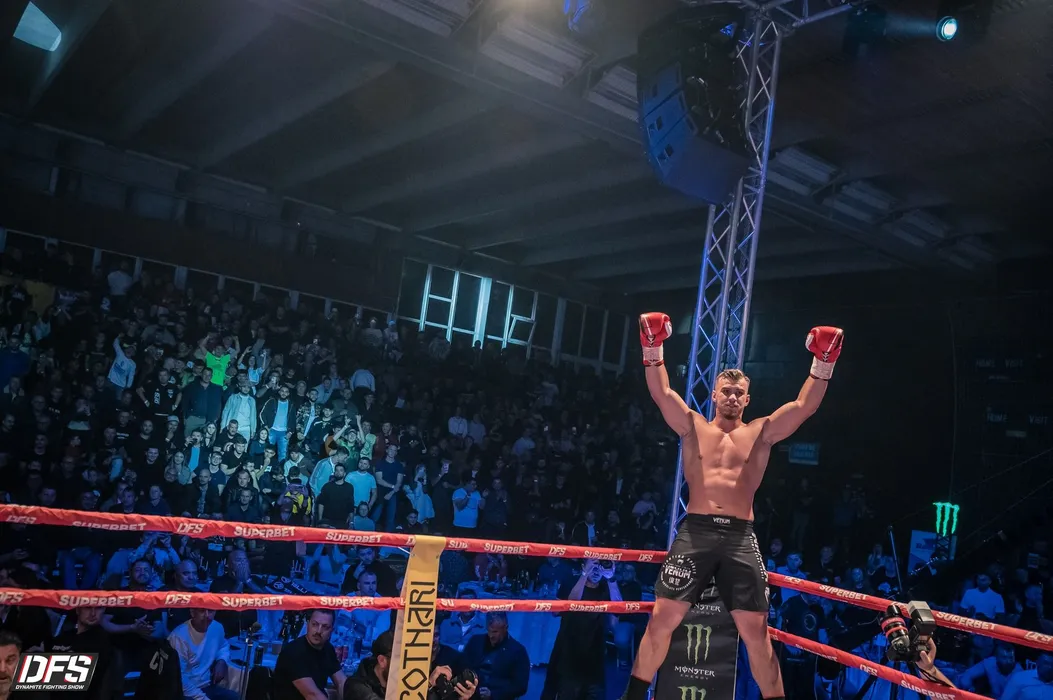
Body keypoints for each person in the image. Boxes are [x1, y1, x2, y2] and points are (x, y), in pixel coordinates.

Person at [625, 313, 844, 700]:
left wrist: (823, 362)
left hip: (740, 537)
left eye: (738, 392)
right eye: (725, 390)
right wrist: (652, 347)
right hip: (695, 532)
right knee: (660, 620)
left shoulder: (761, 432)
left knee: (757, 634)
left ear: (747, 399)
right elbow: (661, 393)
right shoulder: (692, 425)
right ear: (713, 395)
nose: (731, 396)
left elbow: (804, 406)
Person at [344, 629, 477, 700]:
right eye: (403, 660)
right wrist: (425, 687)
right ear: (382, 661)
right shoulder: (356, 687)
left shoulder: (408, 679)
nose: (408, 666)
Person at [272, 609, 346, 700]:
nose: (318, 631)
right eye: (315, 624)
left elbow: (341, 682)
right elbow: (312, 695)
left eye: (325, 627)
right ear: (307, 624)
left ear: (331, 630)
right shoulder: (294, 652)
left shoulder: (327, 648)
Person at [168, 608, 235, 700]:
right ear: (192, 612)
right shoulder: (179, 636)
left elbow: (223, 645)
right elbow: (179, 678)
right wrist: (203, 698)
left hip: (207, 685)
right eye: (202, 611)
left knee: (234, 697)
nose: (207, 615)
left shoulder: (217, 627)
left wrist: (222, 660)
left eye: (211, 611)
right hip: (185, 691)